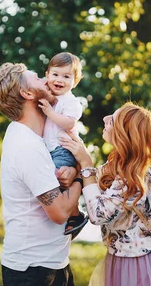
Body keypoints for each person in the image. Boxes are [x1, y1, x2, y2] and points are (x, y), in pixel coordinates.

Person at [60, 102, 151, 286]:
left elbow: (98, 214)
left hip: (137, 264)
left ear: (124, 135)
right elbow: (94, 184)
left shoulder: (134, 176)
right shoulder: (135, 167)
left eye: (112, 120)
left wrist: (87, 165)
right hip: (127, 259)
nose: (105, 119)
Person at [0, 62, 84, 286]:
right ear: (28, 93)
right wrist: (80, 175)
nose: (47, 80)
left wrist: (75, 169)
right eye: (38, 79)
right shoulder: (27, 146)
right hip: (33, 271)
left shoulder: (38, 140)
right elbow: (59, 212)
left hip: (53, 264)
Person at [38, 52, 88, 237]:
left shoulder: (70, 102)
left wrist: (50, 112)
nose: (59, 80)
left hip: (63, 149)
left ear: (74, 81)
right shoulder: (48, 94)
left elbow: (69, 123)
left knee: (53, 180)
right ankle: (73, 214)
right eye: (55, 74)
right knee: (55, 181)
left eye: (66, 77)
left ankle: (72, 213)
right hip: (51, 149)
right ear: (47, 74)